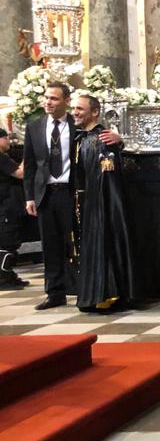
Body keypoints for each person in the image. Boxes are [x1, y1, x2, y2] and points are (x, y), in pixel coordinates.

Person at [69, 93, 137, 312]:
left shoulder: (103, 139)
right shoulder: (80, 138)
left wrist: (100, 205)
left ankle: (106, 294)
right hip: (86, 204)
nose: (75, 112)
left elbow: (108, 176)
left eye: (80, 108)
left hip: (102, 205)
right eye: (74, 108)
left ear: (95, 112)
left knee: (105, 245)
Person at [22, 82, 78, 309]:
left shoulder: (76, 124)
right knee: (51, 244)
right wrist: (29, 197)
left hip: (70, 191)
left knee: (75, 241)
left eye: (54, 98)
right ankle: (55, 292)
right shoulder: (34, 127)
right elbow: (30, 165)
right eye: (46, 98)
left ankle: (82, 287)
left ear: (66, 101)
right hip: (46, 192)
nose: (48, 102)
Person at [0, 129, 28, 290]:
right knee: (7, 241)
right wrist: (27, 156)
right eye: (6, 138)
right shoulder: (1, 158)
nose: (9, 141)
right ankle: (3, 278)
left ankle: (8, 275)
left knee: (9, 238)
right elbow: (20, 173)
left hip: (8, 204)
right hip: (5, 206)